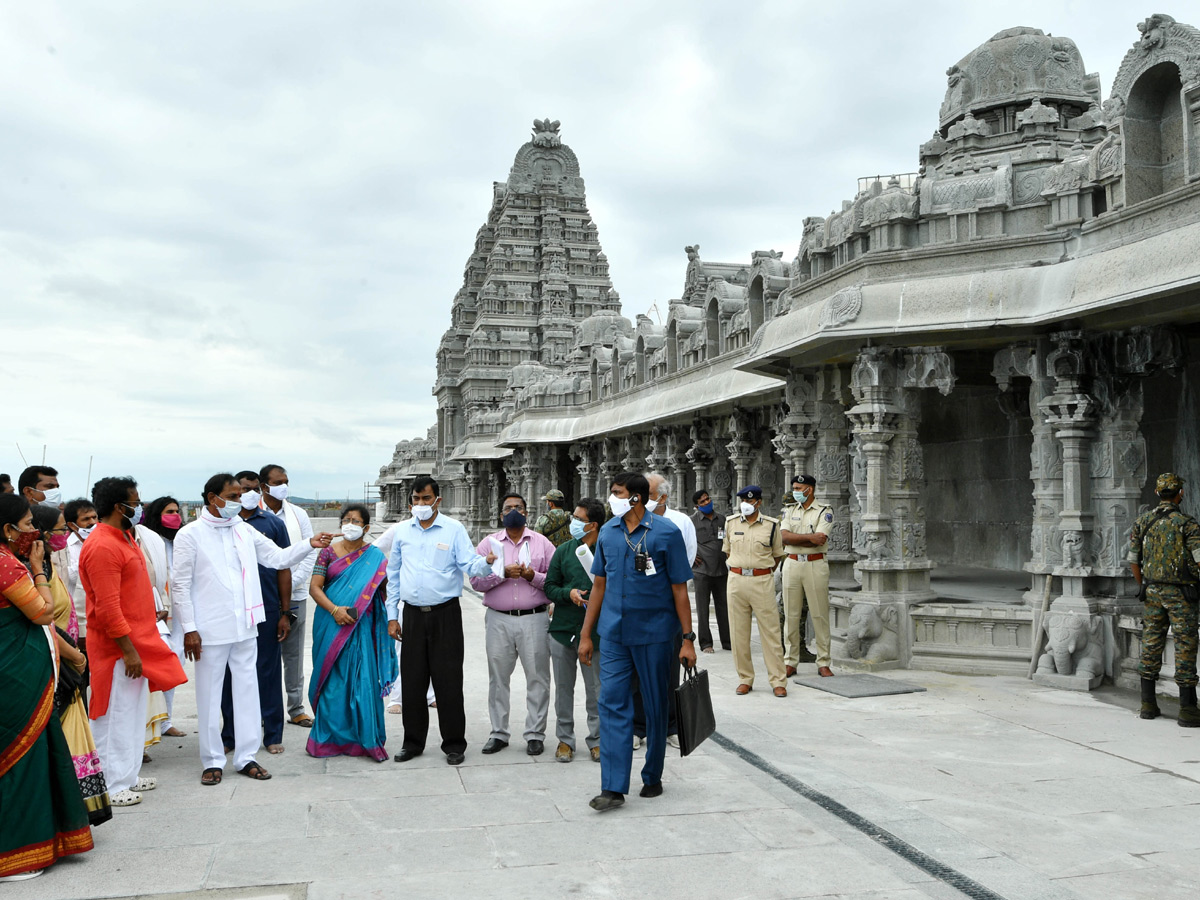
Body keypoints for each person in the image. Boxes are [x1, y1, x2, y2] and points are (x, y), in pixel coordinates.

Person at [170, 473, 332, 786]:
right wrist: (189, 628)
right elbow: (180, 585)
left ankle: (246, 757)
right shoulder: (190, 534)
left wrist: (308, 544)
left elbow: (276, 557)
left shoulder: (243, 530)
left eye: (239, 495)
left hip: (246, 626)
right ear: (211, 498)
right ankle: (213, 760)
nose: (238, 501)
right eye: (231, 496)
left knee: (247, 692)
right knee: (209, 695)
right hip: (210, 630)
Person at [578, 472, 696, 812]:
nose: (611, 498)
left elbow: (679, 589)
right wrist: (587, 634)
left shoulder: (666, 534)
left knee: (656, 706)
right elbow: (598, 585)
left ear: (637, 498)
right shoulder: (608, 535)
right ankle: (613, 787)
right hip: (614, 635)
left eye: (617, 493)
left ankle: (652, 774)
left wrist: (687, 639)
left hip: (656, 635)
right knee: (611, 704)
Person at [0, 493, 94, 880]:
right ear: (7, 530)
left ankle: (44, 839)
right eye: (26, 525)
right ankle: (19, 850)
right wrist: (37, 569)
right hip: (15, 675)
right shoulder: (6, 565)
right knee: (21, 757)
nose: (33, 532)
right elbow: (41, 612)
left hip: (19, 670)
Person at [79, 477, 187, 808]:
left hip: (139, 641)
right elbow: (108, 609)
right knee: (113, 715)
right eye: (135, 502)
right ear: (118, 507)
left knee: (132, 713)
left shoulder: (124, 537)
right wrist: (128, 652)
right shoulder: (102, 546)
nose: (140, 508)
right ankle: (110, 784)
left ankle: (126, 775)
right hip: (117, 650)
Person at [387, 476, 495, 766]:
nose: (420, 505)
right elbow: (393, 575)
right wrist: (392, 616)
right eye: (416, 499)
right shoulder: (403, 533)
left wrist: (486, 563)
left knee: (448, 680)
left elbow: (469, 564)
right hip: (411, 614)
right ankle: (412, 743)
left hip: (445, 614)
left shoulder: (453, 529)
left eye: (425, 499)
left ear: (438, 500)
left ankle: (454, 744)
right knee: (412, 681)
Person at [28, 506, 112, 826]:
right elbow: (44, 621)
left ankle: (77, 814)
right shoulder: (31, 570)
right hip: (56, 664)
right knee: (61, 745)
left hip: (67, 662)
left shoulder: (46, 564)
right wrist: (75, 656)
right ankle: (66, 815)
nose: (65, 535)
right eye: (61, 530)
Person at [307, 504, 398, 761]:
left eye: (356, 521)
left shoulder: (376, 557)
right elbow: (315, 588)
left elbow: (384, 592)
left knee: (362, 681)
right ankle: (328, 739)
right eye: (346, 520)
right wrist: (335, 610)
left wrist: (389, 620)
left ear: (366, 528)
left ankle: (364, 740)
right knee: (332, 683)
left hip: (362, 628)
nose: (350, 524)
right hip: (330, 623)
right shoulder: (327, 552)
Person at [469, 493, 555, 757]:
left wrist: (534, 576)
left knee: (538, 678)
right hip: (499, 619)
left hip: (534, 618)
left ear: (527, 513)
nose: (514, 511)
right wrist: (501, 574)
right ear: (500, 514)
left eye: (519, 507)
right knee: (498, 678)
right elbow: (475, 581)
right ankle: (498, 733)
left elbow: (553, 581)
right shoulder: (489, 544)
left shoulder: (542, 543)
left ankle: (535, 734)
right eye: (508, 508)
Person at [219, 471, 293, 756]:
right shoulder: (224, 526)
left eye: (251, 490)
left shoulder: (272, 524)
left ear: (260, 491)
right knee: (230, 674)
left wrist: (285, 612)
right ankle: (230, 735)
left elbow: (283, 567)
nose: (245, 496)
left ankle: (272, 733)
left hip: (267, 610)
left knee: (268, 672)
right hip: (232, 613)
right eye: (240, 491)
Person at [1128, 472, 1200, 724]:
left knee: (1150, 643)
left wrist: (1144, 585)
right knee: (1185, 645)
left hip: (1152, 592)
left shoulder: (1142, 522)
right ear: (1180, 493)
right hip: (1182, 595)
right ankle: (1188, 710)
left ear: (1158, 493)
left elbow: (1132, 561)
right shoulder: (1187, 524)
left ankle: (1148, 705)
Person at [543, 497, 604, 763]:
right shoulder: (565, 550)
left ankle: (598, 740)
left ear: (593, 525)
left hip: (597, 634)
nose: (573, 523)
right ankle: (564, 741)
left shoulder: (607, 550)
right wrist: (569, 594)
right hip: (563, 630)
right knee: (564, 689)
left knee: (597, 691)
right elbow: (549, 586)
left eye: (578, 519)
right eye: (573, 518)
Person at [259, 464, 319, 729]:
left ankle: (296, 707)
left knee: (293, 655)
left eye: (286, 481)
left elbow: (311, 551)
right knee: (261, 656)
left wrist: (289, 583)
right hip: (260, 596)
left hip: (294, 593)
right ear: (264, 486)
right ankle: (262, 709)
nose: (283, 486)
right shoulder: (251, 515)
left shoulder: (298, 514)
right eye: (278, 482)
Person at [724, 485, 787, 697]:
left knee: (770, 632)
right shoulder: (731, 523)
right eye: (743, 501)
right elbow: (727, 551)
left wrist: (760, 570)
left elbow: (777, 555)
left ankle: (778, 680)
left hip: (761, 581)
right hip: (736, 580)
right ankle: (745, 678)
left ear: (758, 502)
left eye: (750, 502)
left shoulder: (771, 525)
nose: (746, 505)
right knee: (738, 633)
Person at [373, 521, 436, 715]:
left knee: (432, 650)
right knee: (401, 649)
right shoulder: (399, 529)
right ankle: (397, 697)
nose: (422, 505)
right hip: (404, 598)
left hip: (434, 599)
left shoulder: (446, 528)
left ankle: (431, 695)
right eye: (417, 500)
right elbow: (374, 550)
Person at [781, 474, 832, 677]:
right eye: (794, 487)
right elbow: (783, 537)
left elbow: (821, 539)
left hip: (815, 564)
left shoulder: (824, 511)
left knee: (819, 614)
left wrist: (799, 539)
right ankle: (790, 661)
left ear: (809, 489)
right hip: (792, 563)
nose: (795, 491)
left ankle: (824, 662)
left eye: (798, 487)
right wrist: (808, 538)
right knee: (791, 615)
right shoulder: (789, 510)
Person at [144, 497, 188, 736]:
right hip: (159, 611)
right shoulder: (149, 542)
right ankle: (152, 724)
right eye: (169, 511)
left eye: (177, 511)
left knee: (175, 663)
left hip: (180, 611)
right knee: (159, 666)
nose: (175, 515)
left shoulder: (179, 540)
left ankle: (166, 721)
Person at [691, 489, 730, 653]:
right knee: (702, 608)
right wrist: (691, 557)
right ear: (697, 506)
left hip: (721, 569)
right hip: (701, 571)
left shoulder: (722, 519)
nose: (707, 503)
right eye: (702, 502)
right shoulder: (691, 522)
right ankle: (706, 643)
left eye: (708, 499)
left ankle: (728, 641)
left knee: (724, 607)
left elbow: (728, 539)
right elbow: (683, 542)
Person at [64, 498, 99, 652]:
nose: (92, 522)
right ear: (72, 525)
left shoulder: (104, 542)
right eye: (86, 519)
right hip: (76, 617)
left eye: (94, 517)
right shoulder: (65, 548)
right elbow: (70, 577)